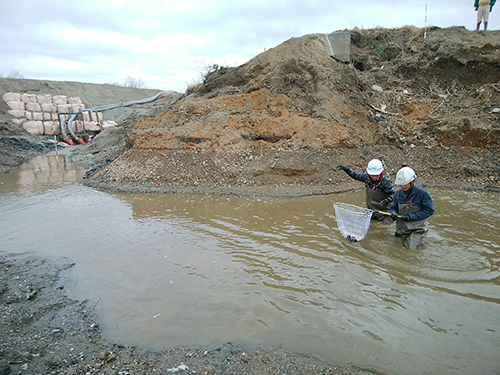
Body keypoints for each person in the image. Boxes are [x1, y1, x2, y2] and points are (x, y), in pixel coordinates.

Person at [336, 159, 395, 224]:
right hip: (371, 212)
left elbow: (394, 195)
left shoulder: (386, 182)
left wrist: (388, 200)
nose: (374, 177)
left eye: (376, 175)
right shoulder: (366, 177)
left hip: (384, 213)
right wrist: (347, 170)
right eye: (372, 175)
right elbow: (356, 175)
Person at [389, 167, 435, 250]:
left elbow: (429, 211)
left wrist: (411, 217)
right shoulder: (397, 194)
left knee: (410, 250)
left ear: (412, 181)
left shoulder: (422, 194)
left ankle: (419, 241)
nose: (402, 186)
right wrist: (393, 213)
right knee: (396, 248)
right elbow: (393, 207)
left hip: (417, 229)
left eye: (405, 184)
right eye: (401, 184)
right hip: (402, 229)